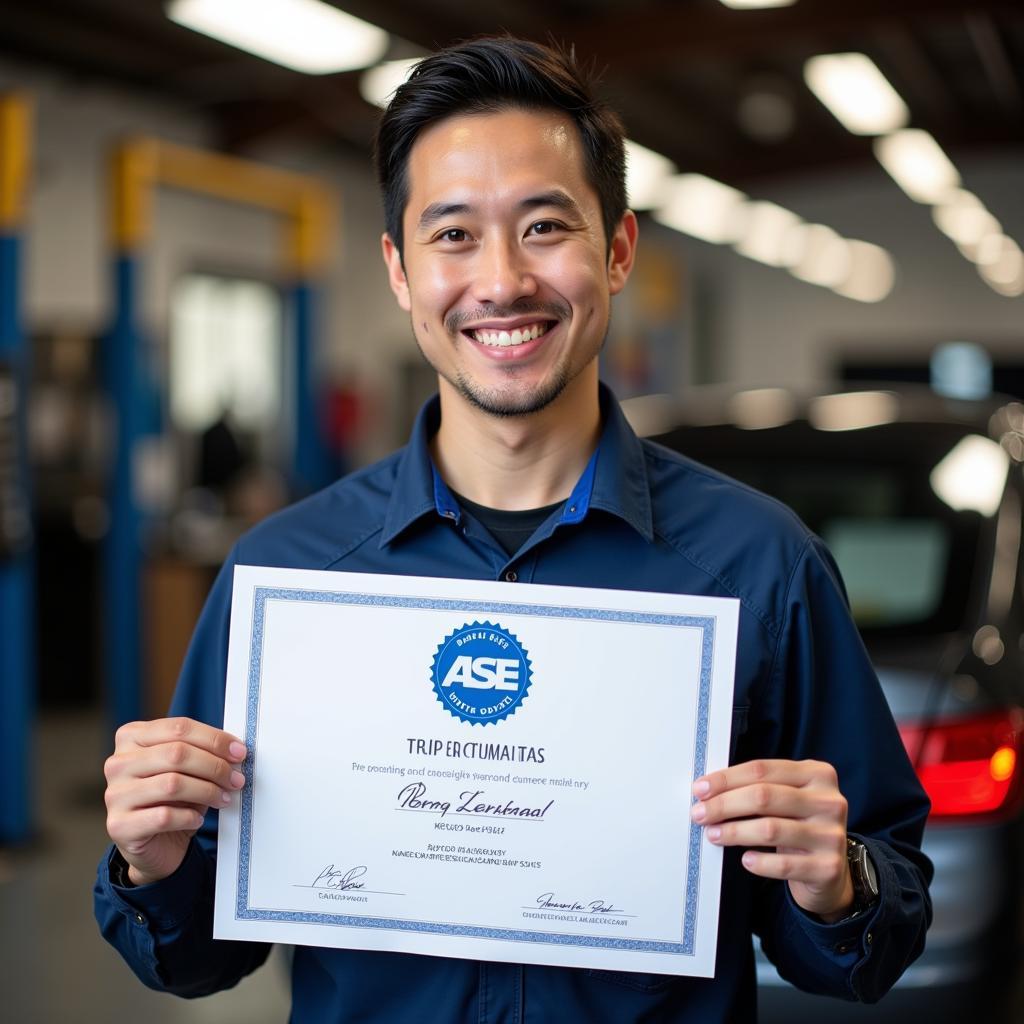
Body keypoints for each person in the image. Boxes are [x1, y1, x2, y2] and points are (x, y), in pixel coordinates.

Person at [95, 36, 932, 1023]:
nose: (500, 281)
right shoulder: (288, 577)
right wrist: (150, 865)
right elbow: (194, 964)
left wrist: (836, 881)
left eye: (543, 227)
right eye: (452, 235)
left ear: (617, 251)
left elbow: (866, 950)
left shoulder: (759, 565)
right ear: (400, 271)